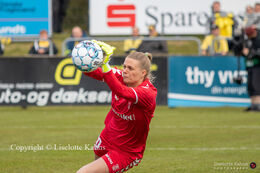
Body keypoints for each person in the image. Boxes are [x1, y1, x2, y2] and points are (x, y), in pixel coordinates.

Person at [77, 41, 157, 173]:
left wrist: (105, 65)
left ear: (143, 73)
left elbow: (121, 91)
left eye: (130, 68)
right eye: (124, 66)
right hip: (108, 136)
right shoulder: (121, 76)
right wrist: (87, 59)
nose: (125, 71)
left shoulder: (147, 93)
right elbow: (92, 73)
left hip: (126, 151)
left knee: (84, 172)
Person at [242, 26, 260, 112]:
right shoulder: (248, 40)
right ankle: (253, 105)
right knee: (250, 85)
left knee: (256, 85)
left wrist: (254, 53)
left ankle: (258, 105)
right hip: (250, 65)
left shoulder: (258, 39)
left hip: (257, 65)